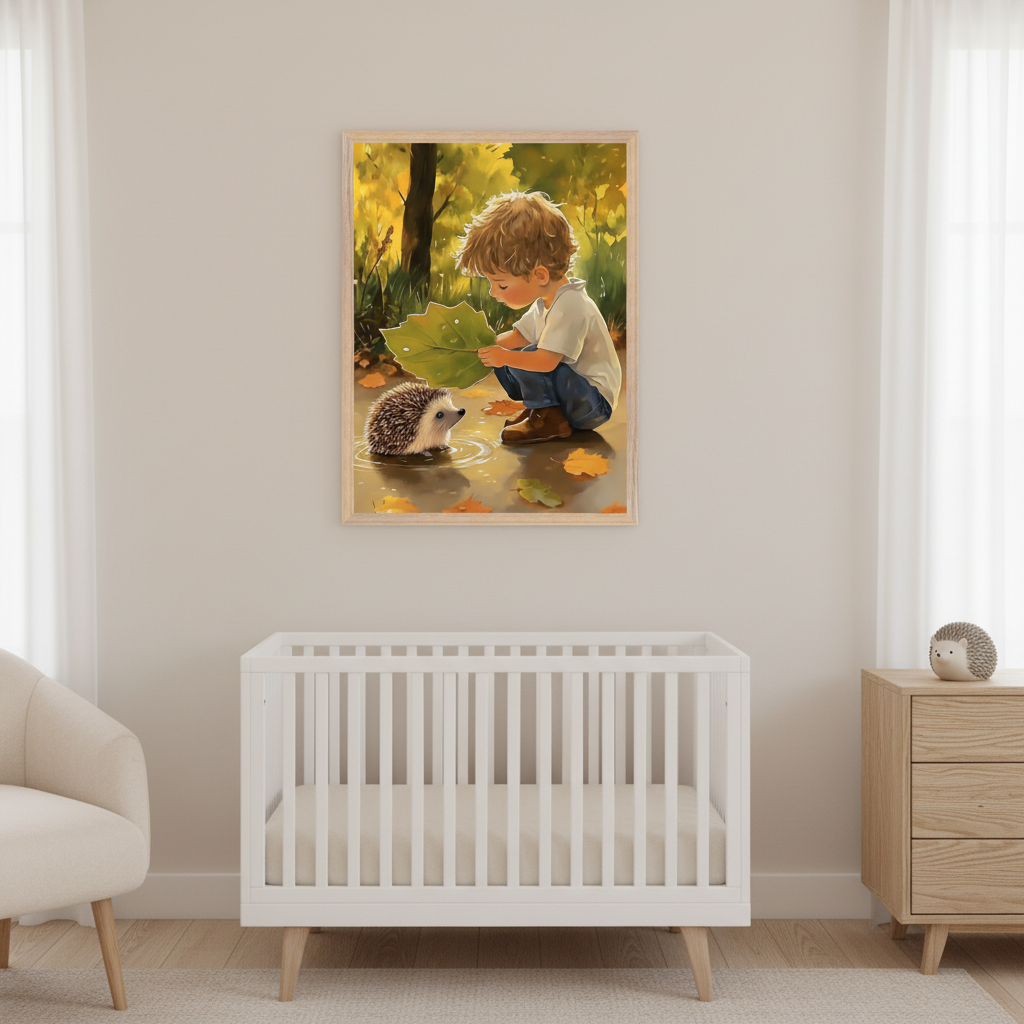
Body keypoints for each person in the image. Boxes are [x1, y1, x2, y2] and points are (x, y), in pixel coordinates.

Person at [455, 191, 621, 445]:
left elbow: (546, 362)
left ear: (540, 275)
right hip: (573, 395)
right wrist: (484, 347)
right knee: (510, 352)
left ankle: (549, 417)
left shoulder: (571, 305)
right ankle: (541, 411)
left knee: (526, 354)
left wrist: (504, 355)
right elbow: (518, 336)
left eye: (501, 285)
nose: (492, 293)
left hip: (592, 404)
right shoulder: (545, 302)